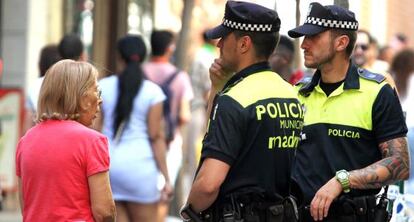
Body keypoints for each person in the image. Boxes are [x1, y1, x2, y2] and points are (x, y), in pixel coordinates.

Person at [181, 1, 303, 221]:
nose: (218, 44)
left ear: (244, 43)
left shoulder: (235, 99)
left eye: (225, 37)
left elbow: (208, 185)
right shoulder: (292, 94)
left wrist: (190, 210)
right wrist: (217, 88)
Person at [288, 2, 409, 221]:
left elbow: (399, 164)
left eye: (313, 37)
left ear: (341, 43)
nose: (304, 44)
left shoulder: (377, 91)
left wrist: (341, 181)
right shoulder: (297, 92)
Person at [15, 60, 115, 221]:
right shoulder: (92, 141)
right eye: (97, 91)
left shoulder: (25, 142)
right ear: (81, 97)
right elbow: (104, 212)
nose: (100, 100)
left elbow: (26, 205)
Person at [98, 35, 173, 222]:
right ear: (143, 57)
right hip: (141, 170)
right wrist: (166, 178)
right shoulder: (152, 92)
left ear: (119, 58)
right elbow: (156, 136)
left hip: (109, 168)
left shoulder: (102, 87)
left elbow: (95, 131)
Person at [142, 30, 194, 221]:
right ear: (170, 48)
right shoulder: (180, 77)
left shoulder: (138, 73)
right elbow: (184, 115)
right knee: (163, 197)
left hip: (141, 144)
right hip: (169, 145)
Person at [185, 30, 217, 179]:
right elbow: (208, 90)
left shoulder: (198, 55)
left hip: (193, 107)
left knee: (191, 156)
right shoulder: (209, 58)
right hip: (201, 110)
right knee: (198, 154)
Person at [24, 45, 61, 132]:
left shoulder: (34, 85)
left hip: (39, 136)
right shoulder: (65, 82)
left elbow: (27, 125)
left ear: (41, 63)